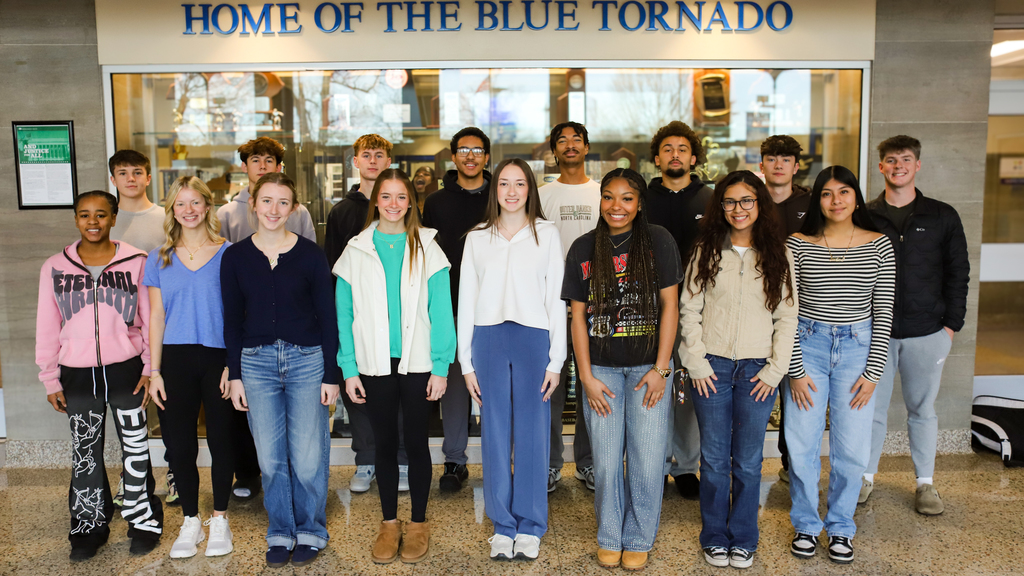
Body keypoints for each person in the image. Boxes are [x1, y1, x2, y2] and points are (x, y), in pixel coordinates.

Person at [562, 168, 682, 571]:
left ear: (640, 203)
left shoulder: (659, 241)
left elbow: (670, 306)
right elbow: (577, 319)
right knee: (608, 463)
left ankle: (639, 536)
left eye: (627, 197)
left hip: (648, 369)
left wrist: (662, 368)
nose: (617, 206)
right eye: (609, 197)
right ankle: (610, 535)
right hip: (603, 373)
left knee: (648, 461)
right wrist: (586, 379)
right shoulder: (582, 248)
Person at [335, 169, 456, 564]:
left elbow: (442, 311)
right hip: (373, 364)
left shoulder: (429, 246)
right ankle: (389, 523)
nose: (392, 204)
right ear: (376, 201)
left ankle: (417, 524)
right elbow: (344, 313)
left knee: (417, 444)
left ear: (411, 202)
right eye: (385, 196)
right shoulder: (356, 249)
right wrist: (348, 368)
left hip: (419, 362)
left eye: (400, 197)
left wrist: (441, 366)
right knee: (384, 446)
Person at [35, 190, 164, 561]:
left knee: (135, 449)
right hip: (76, 374)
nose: (93, 222)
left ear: (113, 217)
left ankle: (143, 521)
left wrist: (149, 367)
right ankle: (89, 526)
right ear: (76, 219)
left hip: (126, 371)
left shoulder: (136, 262)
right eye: (84, 214)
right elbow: (47, 324)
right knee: (85, 454)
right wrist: (50, 378)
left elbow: (148, 316)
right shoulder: (54, 267)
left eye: (101, 214)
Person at [679, 171, 799, 569]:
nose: (738, 209)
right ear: (721, 207)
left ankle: (744, 537)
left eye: (747, 200)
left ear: (760, 205)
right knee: (713, 459)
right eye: (730, 202)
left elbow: (787, 317)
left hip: (756, 370)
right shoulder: (706, 249)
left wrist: (774, 370)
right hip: (710, 366)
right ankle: (714, 535)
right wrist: (695, 361)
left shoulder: (779, 253)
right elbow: (689, 309)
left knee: (747, 461)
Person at [222, 172, 340, 568]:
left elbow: (328, 316)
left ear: (294, 208)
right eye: (267, 201)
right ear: (253, 203)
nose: (274, 210)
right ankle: (280, 530)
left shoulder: (310, 254)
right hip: (256, 366)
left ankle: (310, 529)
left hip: (308, 361)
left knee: (307, 457)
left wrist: (331, 375)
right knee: (270, 459)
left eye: (283, 202)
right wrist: (234, 372)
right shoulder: (235, 257)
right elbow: (232, 320)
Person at [785, 166, 895, 565]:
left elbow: (883, 311)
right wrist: (795, 368)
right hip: (808, 347)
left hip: (857, 351)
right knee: (802, 444)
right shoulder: (797, 243)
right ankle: (806, 525)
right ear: (817, 199)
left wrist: (873, 372)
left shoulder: (879, 245)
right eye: (827, 193)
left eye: (844, 192)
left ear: (856, 198)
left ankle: (841, 527)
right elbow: (787, 309)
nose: (836, 201)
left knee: (851, 448)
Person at [459, 158, 566, 561]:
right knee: (495, 432)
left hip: (534, 339)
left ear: (530, 189)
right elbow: (466, 300)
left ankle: (531, 522)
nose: (511, 191)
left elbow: (557, 298)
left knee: (534, 433)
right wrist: (465, 362)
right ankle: (503, 523)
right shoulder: (477, 238)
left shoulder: (548, 235)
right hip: (487, 339)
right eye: (504, 183)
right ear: (495, 189)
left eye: (519, 184)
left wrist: (556, 360)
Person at [862, 135, 969, 514]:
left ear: (917, 165)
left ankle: (926, 484)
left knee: (922, 410)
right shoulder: (866, 215)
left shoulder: (942, 215)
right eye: (891, 160)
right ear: (881, 166)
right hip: (875, 333)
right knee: (869, 410)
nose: (898, 166)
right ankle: (866, 477)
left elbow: (958, 273)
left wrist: (949, 327)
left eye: (905, 159)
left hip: (928, 332)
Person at [217, 136, 315, 502]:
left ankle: (296, 486)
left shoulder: (298, 213)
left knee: (297, 424)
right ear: (245, 166)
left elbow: (307, 263)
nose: (262, 165)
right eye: (255, 159)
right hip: (248, 329)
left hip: (293, 331)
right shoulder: (227, 214)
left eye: (269, 160)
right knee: (250, 414)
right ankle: (249, 473)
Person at [145, 176, 235, 559]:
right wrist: (154, 371)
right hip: (176, 360)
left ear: (207, 206)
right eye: (180, 204)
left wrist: (235, 366)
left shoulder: (230, 253)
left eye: (195, 202)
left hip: (219, 359)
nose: (189, 210)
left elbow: (238, 314)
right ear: (172, 210)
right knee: (178, 445)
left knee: (221, 440)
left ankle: (220, 519)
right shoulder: (159, 257)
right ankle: (191, 521)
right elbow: (156, 316)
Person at [324, 134, 411, 494]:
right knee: (359, 393)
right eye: (366, 155)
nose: (373, 160)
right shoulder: (342, 212)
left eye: (380, 155)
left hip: (400, 322)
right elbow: (333, 269)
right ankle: (367, 460)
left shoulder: (402, 206)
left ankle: (402, 460)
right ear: (355, 162)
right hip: (359, 319)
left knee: (403, 394)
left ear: (389, 160)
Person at [107, 149, 181, 508]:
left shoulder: (165, 219)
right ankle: (133, 475)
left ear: (149, 177)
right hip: (120, 331)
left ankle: (175, 472)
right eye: (123, 173)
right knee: (131, 409)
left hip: (161, 323)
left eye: (138, 172)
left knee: (167, 403)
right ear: (113, 179)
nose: (131, 179)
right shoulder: (106, 220)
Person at [421, 127, 493, 492]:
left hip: (494, 306)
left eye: (477, 150)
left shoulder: (503, 195)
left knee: (493, 384)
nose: (470, 156)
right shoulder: (436, 202)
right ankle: (454, 461)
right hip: (448, 304)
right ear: (453, 157)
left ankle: (498, 459)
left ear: (486, 156)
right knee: (453, 389)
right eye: (463, 150)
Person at [644, 121, 712, 499]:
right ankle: (651, 464)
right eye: (667, 148)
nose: (675, 154)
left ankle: (686, 467)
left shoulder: (711, 200)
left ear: (693, 157)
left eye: (682, 149)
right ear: (657, 158)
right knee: (652, 385)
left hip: (696, 310)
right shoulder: (643, 199)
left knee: (687, 390)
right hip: (647, 308)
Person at [540, 121, 600, 493]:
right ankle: (549, 463)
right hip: (550, 305)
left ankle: (588, 462)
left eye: (576, 139)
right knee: (550, 386)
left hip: (596, 308)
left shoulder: (602, 193)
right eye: (562, 141)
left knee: (593, 386)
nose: (570, 145)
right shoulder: (543, 196)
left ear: (587, 147)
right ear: (554, 151)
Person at [759, 134, 812, 484]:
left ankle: (793, 465)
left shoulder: (813, 206)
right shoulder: (750, 201)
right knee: (759, 393)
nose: (779, 164)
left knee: (796, 396)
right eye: (772, 158)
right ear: (762, 164)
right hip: (758, 313)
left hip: (805, 315)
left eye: (786, 159)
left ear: (795, 166)